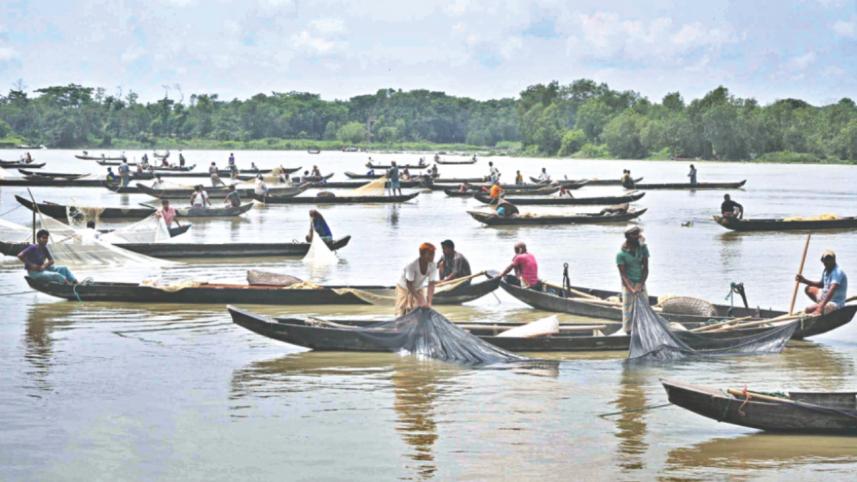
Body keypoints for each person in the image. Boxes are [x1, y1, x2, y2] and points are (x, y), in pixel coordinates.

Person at [617, 225, 650, 334]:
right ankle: (628, 331)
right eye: (634, 234)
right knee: (628, 310)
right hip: (628, 284)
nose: (638, 236)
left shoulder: (643, 249)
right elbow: (623, 275)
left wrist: (640, 285)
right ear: (628, 236)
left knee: (644, 308)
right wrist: (631, 288)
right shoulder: (621, 254)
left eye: (638, 233)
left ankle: (643, 330)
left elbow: (645, 269)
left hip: (640, 281)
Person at [796, 250, 848, 315]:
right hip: (825, 297)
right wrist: (804, 281)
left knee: (808, 310)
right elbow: (821, 285)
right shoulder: (826, 270)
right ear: (822, 261)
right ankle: (821, 306)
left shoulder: (837, 272)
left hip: (835, 302)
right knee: (808, 289)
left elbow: (831, 290)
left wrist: (820, 307)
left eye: (830, 259)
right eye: (826, 259)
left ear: (834, 260)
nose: (828, 261)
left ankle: (822, 308)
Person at [395, 243, 438, 315]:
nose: (432, 256)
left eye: (433, 254)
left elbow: (431, 284)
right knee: (401, 311)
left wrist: (429, 302)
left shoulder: (433, 265)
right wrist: (419, 299)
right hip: (404, 287)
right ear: (422, 254)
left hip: (418, 287)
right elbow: (409, 284)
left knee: (421, 309)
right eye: (430, 254)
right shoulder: (412, 265)